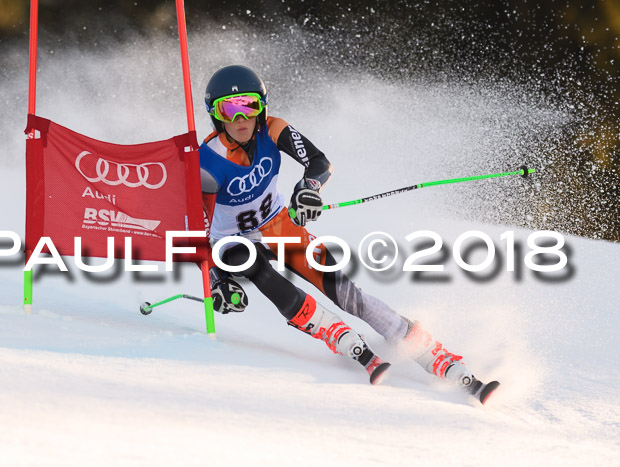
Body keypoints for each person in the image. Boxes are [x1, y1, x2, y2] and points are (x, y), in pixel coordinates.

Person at [198, 65, 499, 402]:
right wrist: (216, 278)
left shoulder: (274, 129)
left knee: (347, 295)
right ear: (216, 115)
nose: (241, 118)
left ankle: (432, 353)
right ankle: (333, 331)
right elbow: (194, 226)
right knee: (254, 266)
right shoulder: (207, 162)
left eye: (249, 106)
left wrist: (308, 189)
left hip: (279, 223)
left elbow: (319, 162)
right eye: (230, 108)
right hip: (232, 241)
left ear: (262, 107)